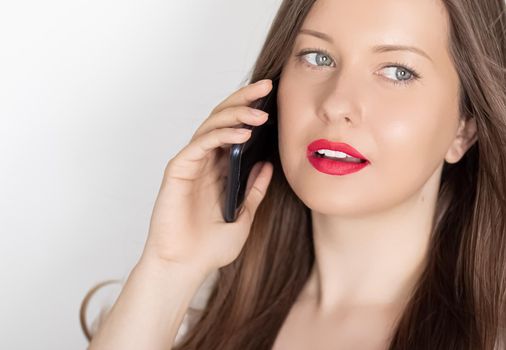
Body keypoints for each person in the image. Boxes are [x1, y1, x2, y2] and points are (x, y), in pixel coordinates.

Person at [81, 0, 506, 348]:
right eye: (318, 57)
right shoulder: (210, 324)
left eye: (397, 71)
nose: (337, 102)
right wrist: (169, 268)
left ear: (464, 128)